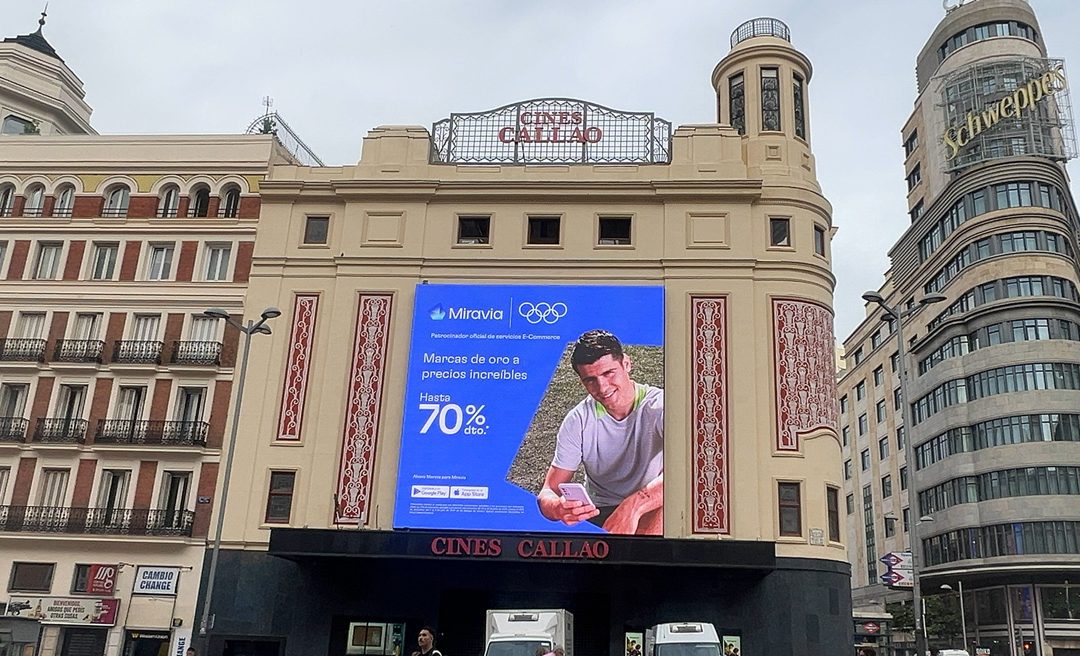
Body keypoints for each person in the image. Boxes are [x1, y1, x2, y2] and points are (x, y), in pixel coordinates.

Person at [537, 329, 664, 535]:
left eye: (608, 373)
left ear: (626, 364)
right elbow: (548, 491)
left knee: (665, 507)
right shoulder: (577, 420)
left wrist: (633, 507)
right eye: (590, 380)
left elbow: (688, 476)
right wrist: (558, 508)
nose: (602, 387)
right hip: (600, 509)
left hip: (650, 501)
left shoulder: (661, 406)